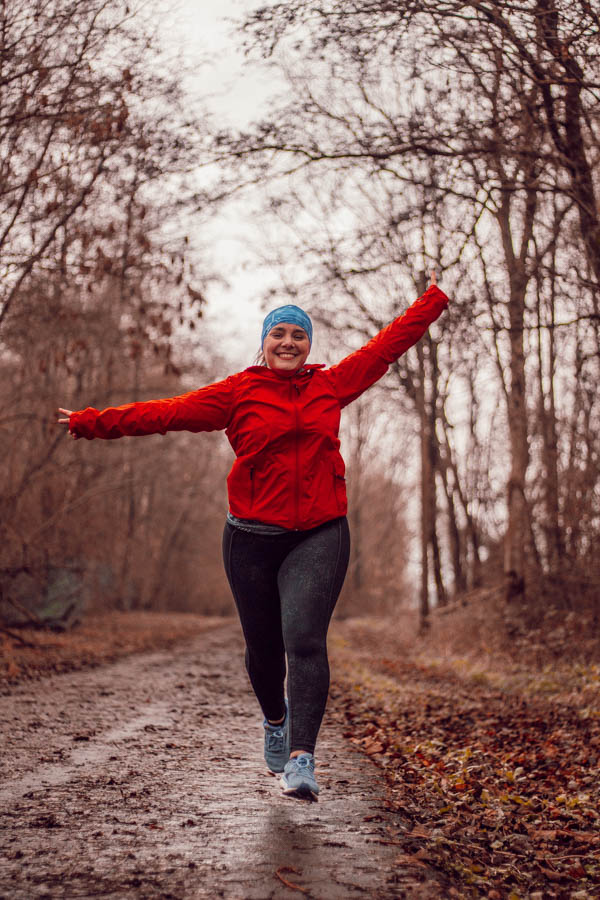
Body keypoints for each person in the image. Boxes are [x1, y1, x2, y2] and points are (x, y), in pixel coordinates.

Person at [58, 271, 448, 800]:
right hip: (251, 537)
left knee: (304, 639)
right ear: (264, 343)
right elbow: (165, 413)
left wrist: (432, 300)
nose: (289, 342)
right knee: (264, 650)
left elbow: (386, 347)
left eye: (299, 335)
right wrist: (90, 422)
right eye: (278, 334)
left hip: (320, 531)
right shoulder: (237, 393)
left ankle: (302, 759)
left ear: (309, 345)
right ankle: (275, 718)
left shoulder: (331, 384)